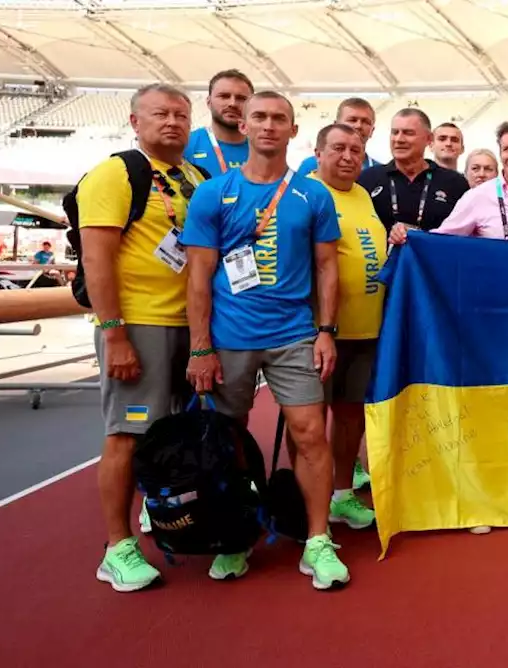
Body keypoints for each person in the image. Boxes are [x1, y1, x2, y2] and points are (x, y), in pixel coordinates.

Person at [181, 91, 349, 590]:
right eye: (260, 117)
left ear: (294, 131)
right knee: (228, 441)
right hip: (229, 339)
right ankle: (233, 538)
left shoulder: (313, 194)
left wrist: (326, 332)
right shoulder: (213, 193)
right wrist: (200, 346)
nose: (270, 126)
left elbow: (326, 267)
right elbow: (198, 276)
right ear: (245, 125)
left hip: (295, 335)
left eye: (280, 119)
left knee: (310, 434)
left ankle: (317, 540)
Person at [82, 83, 205, 593]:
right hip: (139, 326)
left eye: (180, 114)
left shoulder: (194, 178)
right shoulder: (115, 173)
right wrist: (115, 335)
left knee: (174, 436)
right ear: (135, 122)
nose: (172, 122)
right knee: (128, 437)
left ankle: (162, 516)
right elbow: (96, 259)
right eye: (159, 114)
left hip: (189, 327)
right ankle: (117, 546)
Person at [309, 122, 386, 531]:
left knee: (350, 416)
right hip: (319, 333)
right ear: (318, 152)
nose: (347, 157)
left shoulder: (361, 195)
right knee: (309, 421)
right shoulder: (305, 193)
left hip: (365, 330)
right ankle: (312, 505)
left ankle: (341, 495)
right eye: (338, 148)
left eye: (356, 150)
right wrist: (322, 326)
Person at [358, 108, 469, 233]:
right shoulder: (367, 179)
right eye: (395, 132)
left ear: (428, 139)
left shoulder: (455, 183)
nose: (399, 139)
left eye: (408, 133)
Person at [184, 69, 252, 177]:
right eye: (224, 96)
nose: (232, 103)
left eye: (241, 98)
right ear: (208, 102)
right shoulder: (186, 145)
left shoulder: (263, 149)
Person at [297, 98, 379, 175]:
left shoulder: (378, 172)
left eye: (365, 122)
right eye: (352, 120)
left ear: (372, 130)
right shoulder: (311, 165)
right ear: (336, 126)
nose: (358, 125)